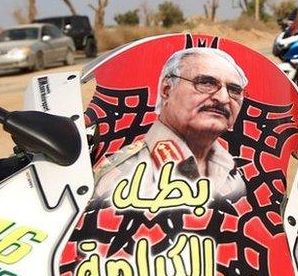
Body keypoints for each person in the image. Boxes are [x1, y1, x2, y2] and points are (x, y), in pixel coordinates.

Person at [93, 47, 248, 205]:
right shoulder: (121, 175)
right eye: (206, 83)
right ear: (166, 90)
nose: (223, 98)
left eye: (234, 91)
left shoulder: (233, 173)